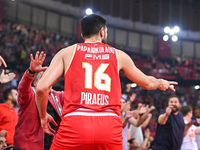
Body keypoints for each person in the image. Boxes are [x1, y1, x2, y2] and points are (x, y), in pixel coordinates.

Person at [35, 14, 178, 150]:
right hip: (109, 124)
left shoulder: (66, 53)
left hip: (76, 122)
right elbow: (146, 83)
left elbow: (41, 88)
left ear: (82, 33)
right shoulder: (118, 55)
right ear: (102, 32)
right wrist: (160, 82)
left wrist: (43, 116)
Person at [13, 51, 64, 150]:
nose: (47, 81)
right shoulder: (30, 94)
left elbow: (74, 93)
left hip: (49, 147)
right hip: (26, 147)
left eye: (49, 78)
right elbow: (23, 88)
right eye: (43, 78)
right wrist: (30, 72)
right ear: (35, 83)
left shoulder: (57, 96)